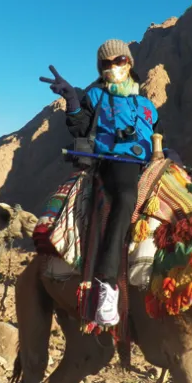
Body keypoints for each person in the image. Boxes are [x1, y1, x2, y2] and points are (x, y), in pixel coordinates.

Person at [40, 39, 162, 327]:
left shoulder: (148, 106)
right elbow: (81, 127)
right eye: (106, 63)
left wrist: (168, 154)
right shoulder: (96, 96)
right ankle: (106, 283)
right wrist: (72, 100)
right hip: (114, 160)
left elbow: (155, 135)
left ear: (129, 63)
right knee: (126, 196)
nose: (113, 67)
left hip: (150, 161)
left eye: (119, 60)